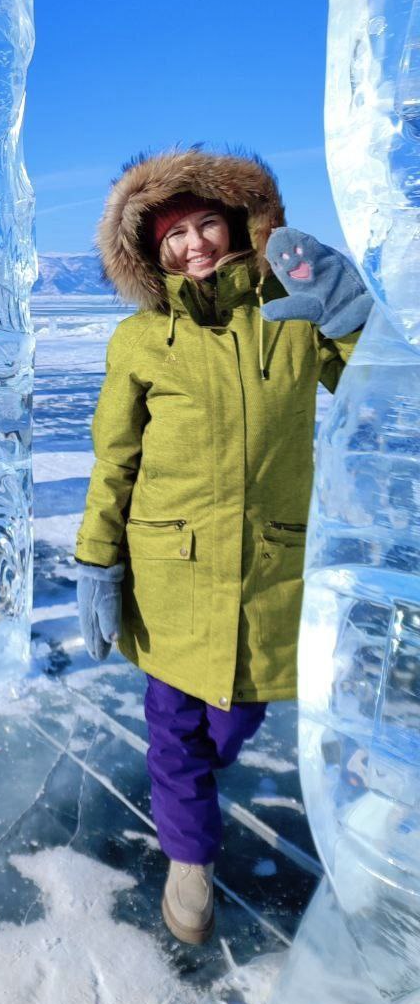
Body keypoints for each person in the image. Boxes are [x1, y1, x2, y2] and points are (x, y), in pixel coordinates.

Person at [75, 148, 366, 946]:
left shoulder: (291, 315)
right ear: (152, 250)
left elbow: (376, 379)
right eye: (175, 234)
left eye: (208, 224)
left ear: (241, 226)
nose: (195, 244)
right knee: (173, 729)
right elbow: (115, 461)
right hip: (171, 574)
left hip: (269, 574)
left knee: (232, 724)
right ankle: (190, 863)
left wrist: (351, 313)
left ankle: (194, 792)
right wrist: (98, 560)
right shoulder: (141, 340)